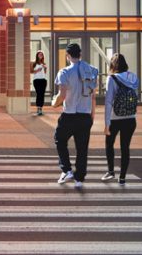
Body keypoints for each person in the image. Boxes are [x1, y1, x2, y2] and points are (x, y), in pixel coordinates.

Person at [50, 43, 98, 189]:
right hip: (85, 115)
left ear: (68, 56)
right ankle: (79, 179)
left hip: (69, 114)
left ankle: (66, 169)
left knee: (59, 139)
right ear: (80, 54)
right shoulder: (92, 71)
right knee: (82, 148)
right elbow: (93, 97)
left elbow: (62, 95)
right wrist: (92, 116)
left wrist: (54, 103)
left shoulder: (64, 72)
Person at [101, 53, 140, 185]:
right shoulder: (133, 77)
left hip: (115, 118)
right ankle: (122, 178)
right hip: (131, 118)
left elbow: (108, 102)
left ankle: (111, 171)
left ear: (113, 65)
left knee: (109, 144)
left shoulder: (112, 79)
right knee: (125, 147)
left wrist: (106, 123)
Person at [31, 51, 48, 116]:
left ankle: (41, 108)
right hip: (36, 80)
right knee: (38, 94)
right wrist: (37, 70)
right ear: (37, 55)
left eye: (42, 54)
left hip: (43, 80)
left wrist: (45, 68)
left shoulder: (43, 63)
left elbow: (45, 73)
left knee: (42, 94)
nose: (41, 55)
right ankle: (38, 108)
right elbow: (32, 71)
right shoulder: (34, 63)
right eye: (40, 54)